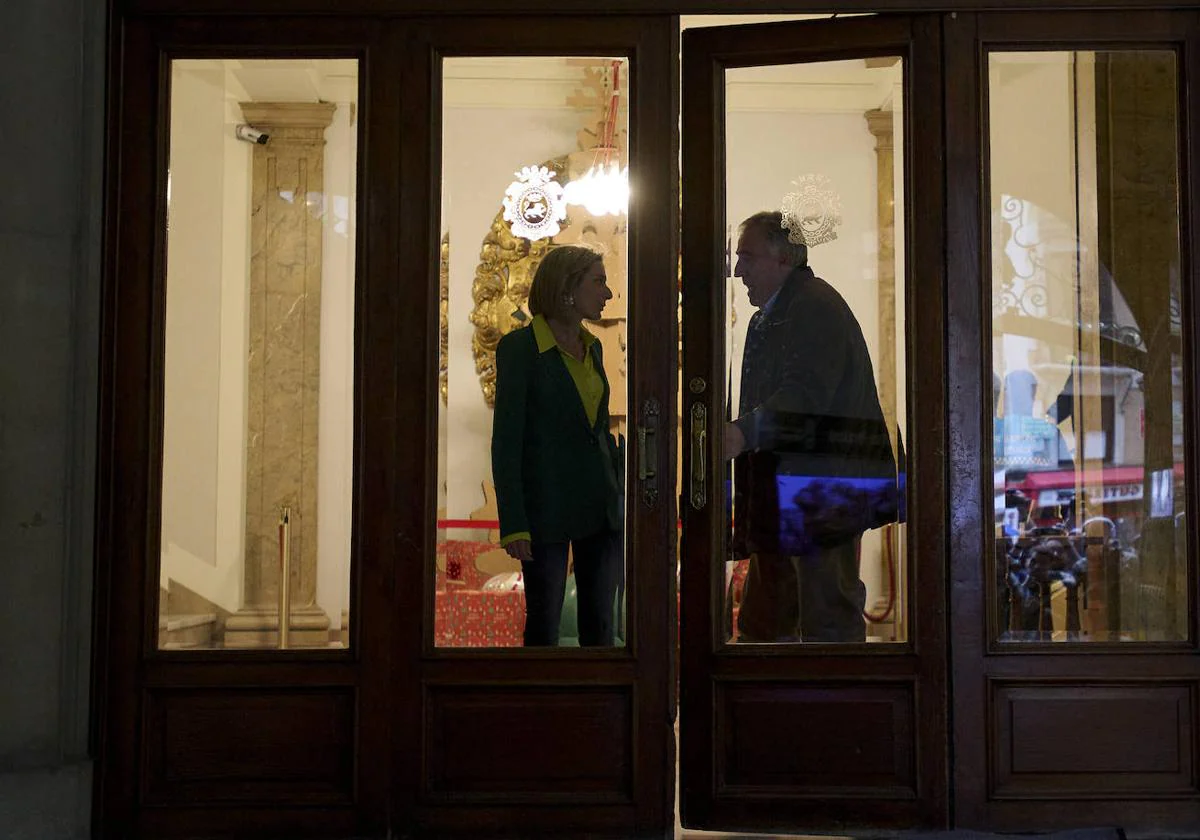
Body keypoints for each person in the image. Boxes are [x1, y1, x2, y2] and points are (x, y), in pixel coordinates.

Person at [725, 211, 898, 643]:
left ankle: (830, 709)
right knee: (766, 622)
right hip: (792, 492)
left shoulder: (814, 307)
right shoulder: (780, 311)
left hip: (819, 493)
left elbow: (805, 397)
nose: (737, 269)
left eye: (747, 256)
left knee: (826, 619)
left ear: (784, 258)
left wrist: (741, 433)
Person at [491, 244, 624, 647]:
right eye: (598, 282)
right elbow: (507, 441)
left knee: (601, 623)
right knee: (544, 622)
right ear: (567, 288)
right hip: (544, 509)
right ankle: (540, 707)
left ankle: (599, 707)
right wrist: (513, 521)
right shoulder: (519, 350)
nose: (608, 293)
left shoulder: (594, 347)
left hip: (598, 507)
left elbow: (594, 430)